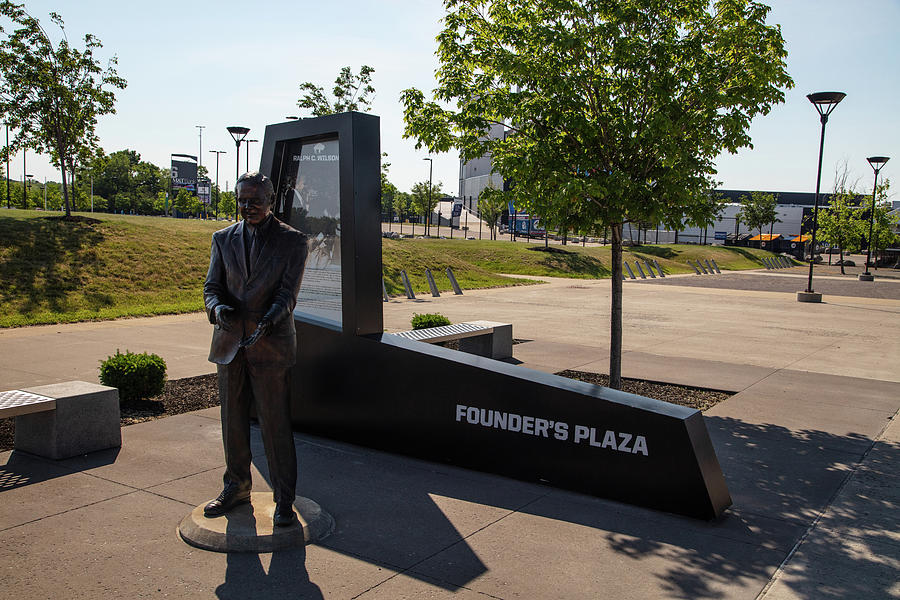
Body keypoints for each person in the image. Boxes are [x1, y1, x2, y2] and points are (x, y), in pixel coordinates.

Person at [202, 171, 308, 527]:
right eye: (242, 200)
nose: (248, 207)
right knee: (231, 419)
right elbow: (211, 288)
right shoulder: (222, 239)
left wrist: (268, 321)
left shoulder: (293, 242)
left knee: (274, 423)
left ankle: (284, 498)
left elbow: (287, 294)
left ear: (271, 202)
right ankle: (236, 485)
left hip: (271, 343)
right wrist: (218, 309)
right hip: (230, 341)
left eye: (255, 201)